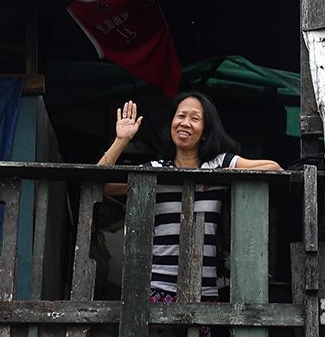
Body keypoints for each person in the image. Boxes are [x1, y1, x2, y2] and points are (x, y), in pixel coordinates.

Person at [98, 92, 282, 300]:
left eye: (194, 118)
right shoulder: (156, 169)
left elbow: (274, 168)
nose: (185, 123)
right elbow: (101, 186)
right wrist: (121, 140)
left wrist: (220, 176)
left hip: (204, 292)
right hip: (157, 289)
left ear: (205, 133)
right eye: (180, 116)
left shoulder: (217, 164)